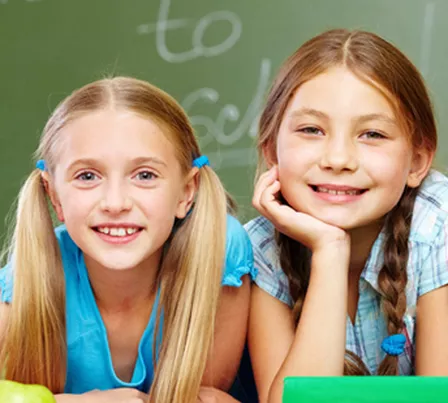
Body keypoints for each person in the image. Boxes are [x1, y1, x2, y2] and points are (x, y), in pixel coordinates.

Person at [0, 77, 255, 403]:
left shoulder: (220, 250)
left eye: (145, 175)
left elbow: (210, 395)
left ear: (186, 192)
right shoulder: (29, 276)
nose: (116, 202)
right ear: (55, 197)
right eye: (87, 176)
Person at [245, 29, 448, 403]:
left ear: (417, 161)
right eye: (311, 130)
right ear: (272, 150)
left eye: (371, 134)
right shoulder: (258, 247)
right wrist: (329, 250)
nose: (337, 160)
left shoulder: (438, 226)